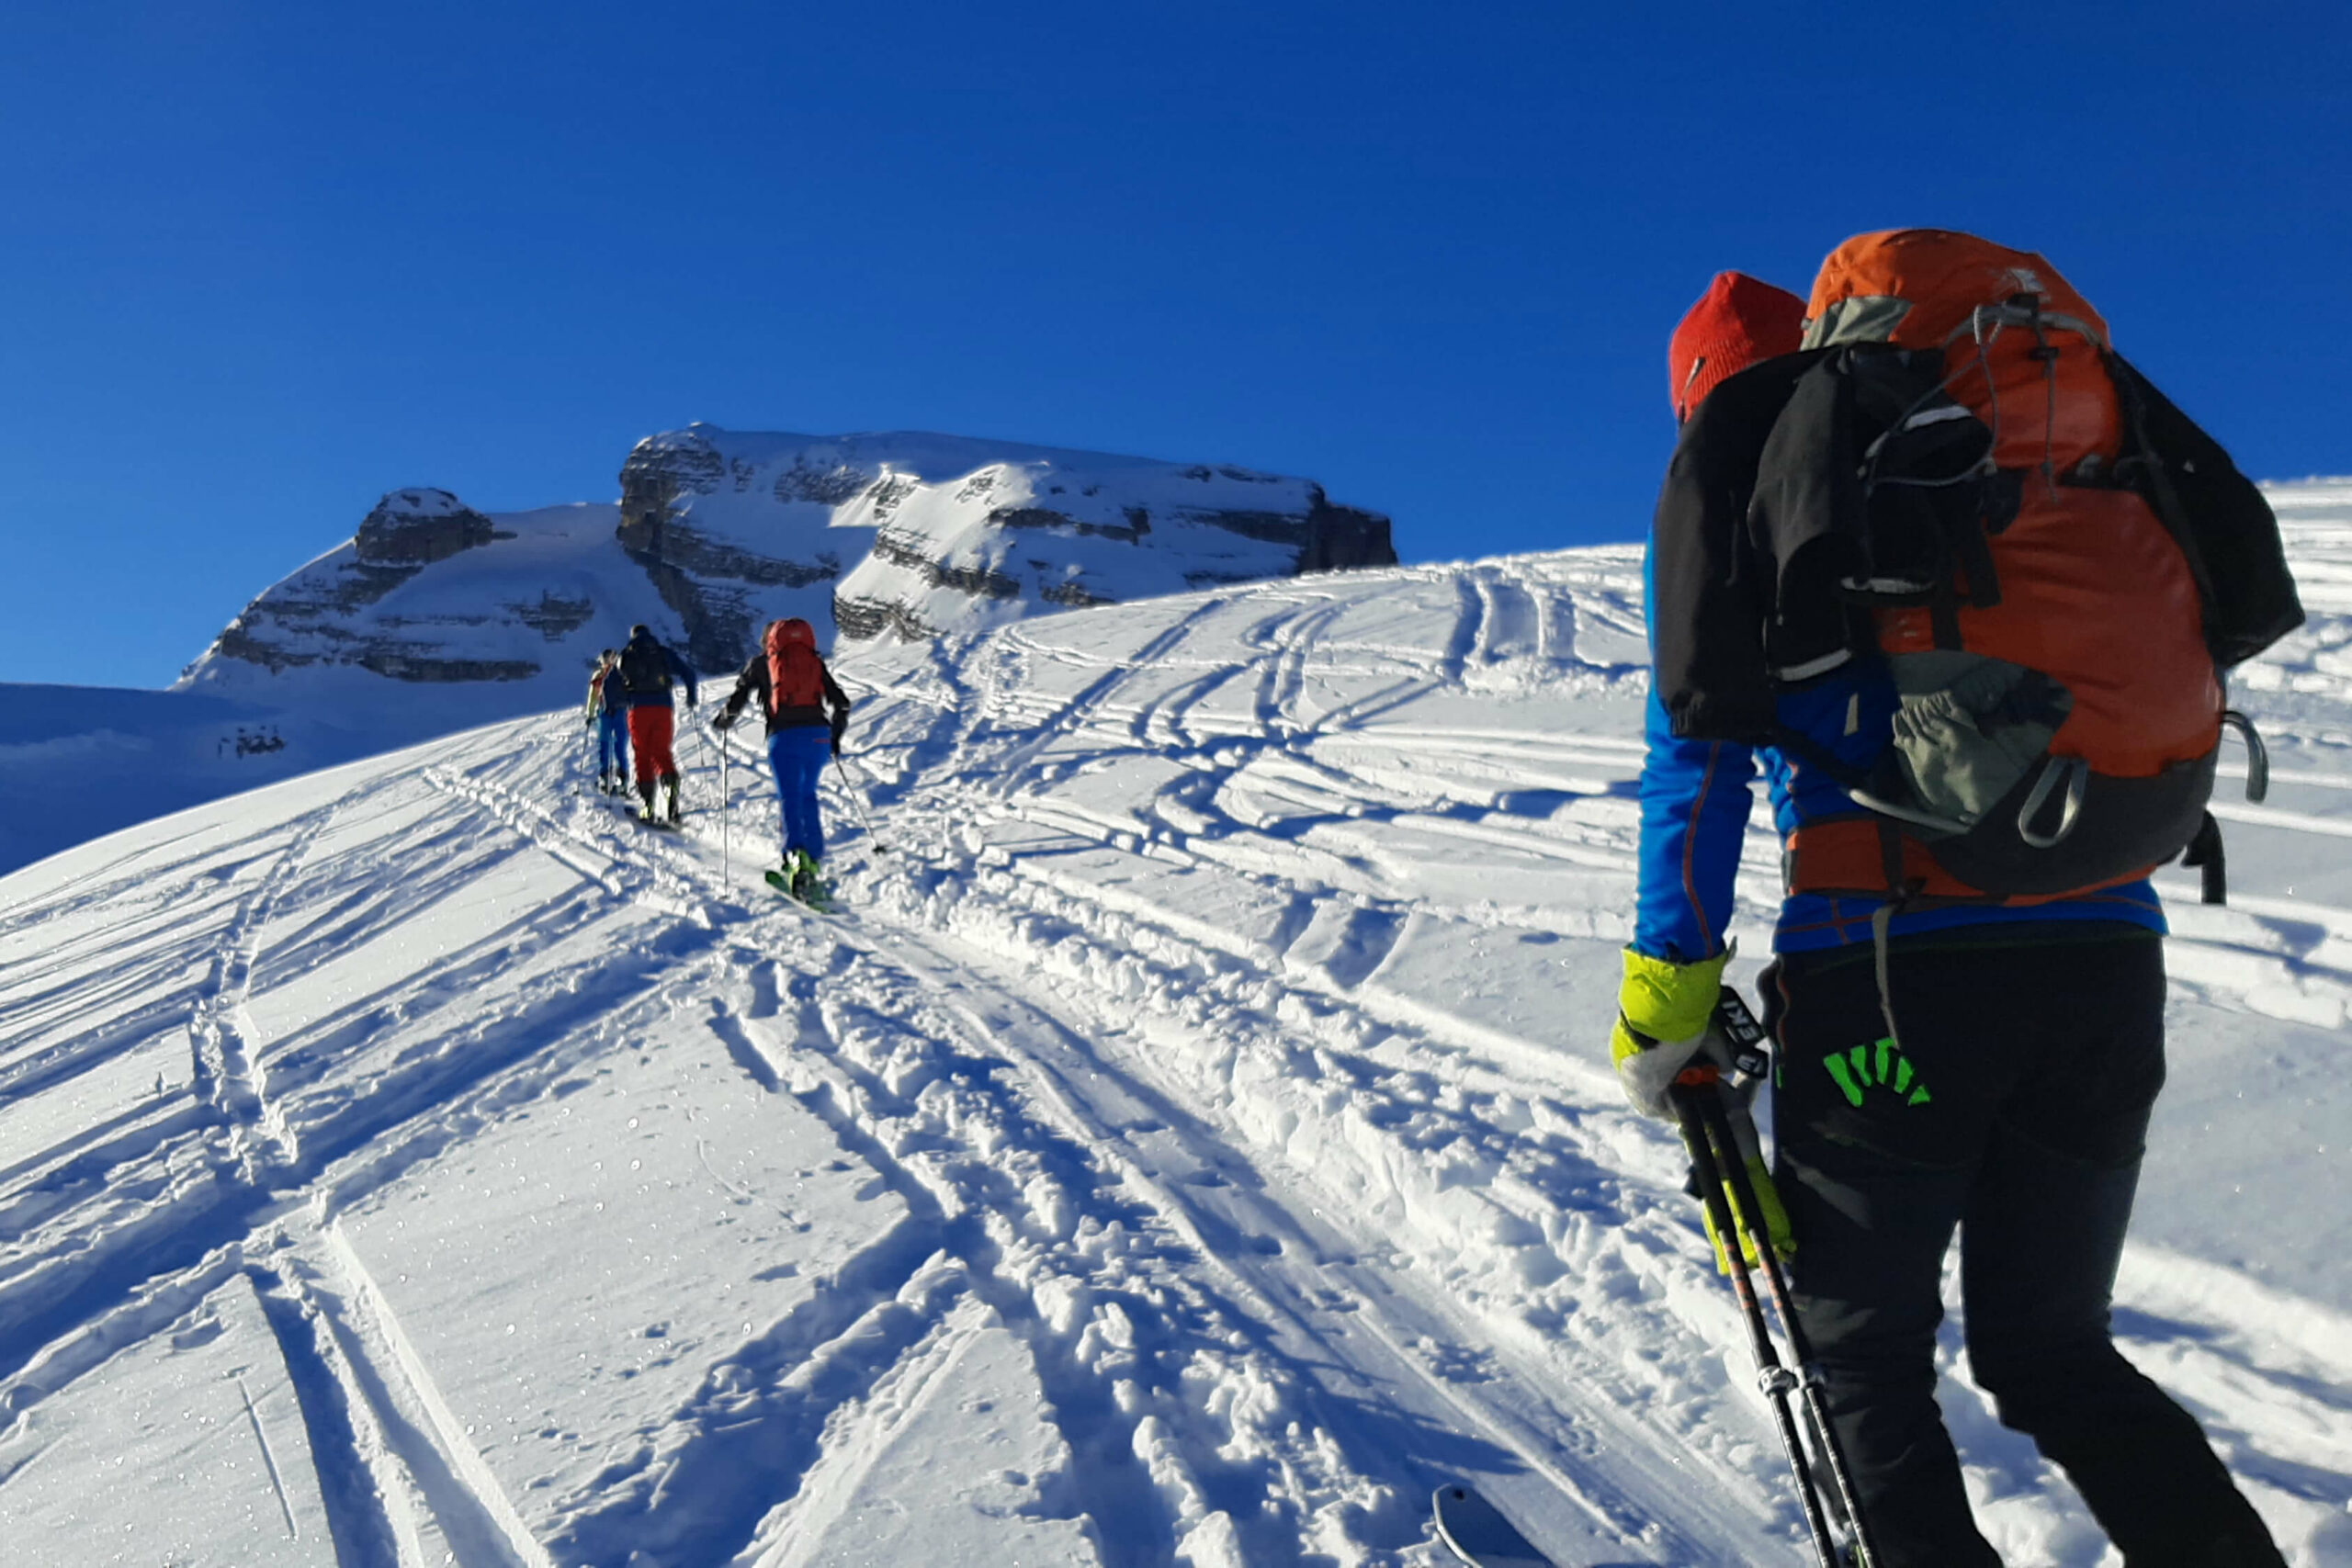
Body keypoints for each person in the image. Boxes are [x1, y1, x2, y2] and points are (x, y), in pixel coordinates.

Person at [1616, 246, 2291, 1567]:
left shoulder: (1744, 486)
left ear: (1704, 399)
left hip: (1889, 973)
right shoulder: (1995, 449)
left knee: (1861, 1360)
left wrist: (1668, 996)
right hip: (2106, 961)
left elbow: (1694, 773)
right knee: (2054, 1352)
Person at [712, 616, 851, 899]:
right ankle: (812, 859)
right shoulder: (813, 661)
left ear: (769, 642)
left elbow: (738, 698)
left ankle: (795, 858)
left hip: (784, 735)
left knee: (789, 795)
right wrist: (834, 739)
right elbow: (841, 703)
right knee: (808, 794)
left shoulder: (762, 663)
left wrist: (724, 720)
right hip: (818, 737)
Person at [613, 623, 698, 823]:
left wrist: (617, 703)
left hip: (637, 710)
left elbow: (613, 685)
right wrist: (691, 697)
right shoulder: (662, 653)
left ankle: (648, 805)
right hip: (663, 708)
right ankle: (671, 799)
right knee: (661, 752)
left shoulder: (626, 655)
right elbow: (689, 673)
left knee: (642, 755)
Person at [583, 649, 630, 795]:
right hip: (622, 713)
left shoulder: (599, 675)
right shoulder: (623, 673)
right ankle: (622, 778)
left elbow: (593, 697)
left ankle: (604, 776)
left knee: (604, 744)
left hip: (604, 712)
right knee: (620, 746)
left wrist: (590, 714)